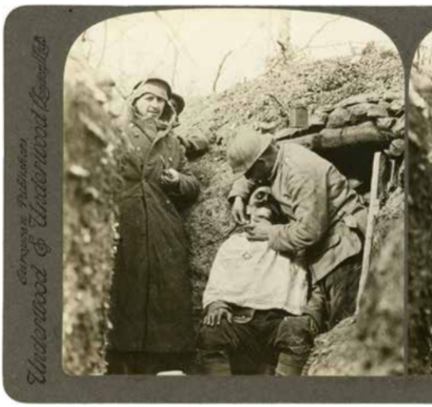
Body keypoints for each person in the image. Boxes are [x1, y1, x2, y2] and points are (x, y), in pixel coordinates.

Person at [226, 128, 367, 374]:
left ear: (261, 162)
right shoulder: (276, 154)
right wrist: (239, 194)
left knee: (343, 330)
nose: (252, 179)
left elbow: (309, 232)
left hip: (343, 250)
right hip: (326, 252)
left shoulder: (300, 171)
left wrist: (269, 233)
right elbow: (251, 173)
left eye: (251, 173)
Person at [107, 78, 201, 374]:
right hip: (127, 218)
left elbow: (192, 185)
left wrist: (177, 180)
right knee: (127, 286)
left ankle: (165, 361)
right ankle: (121, 361)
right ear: (135, 100)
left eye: (160, 101)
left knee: (167, 289)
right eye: (149, 98)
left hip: (163, 224)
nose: (154, 105)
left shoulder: (171, 140)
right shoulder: (116, 131)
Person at [197, 187, 310, 376]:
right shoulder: (235, 243)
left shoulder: (292, 242)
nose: (265, 197)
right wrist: (217, 304)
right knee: (212, 331)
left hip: (278, 321)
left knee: (295, 332)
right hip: (241, 320)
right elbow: (217, 281)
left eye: (261, 220)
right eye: (259, 196)